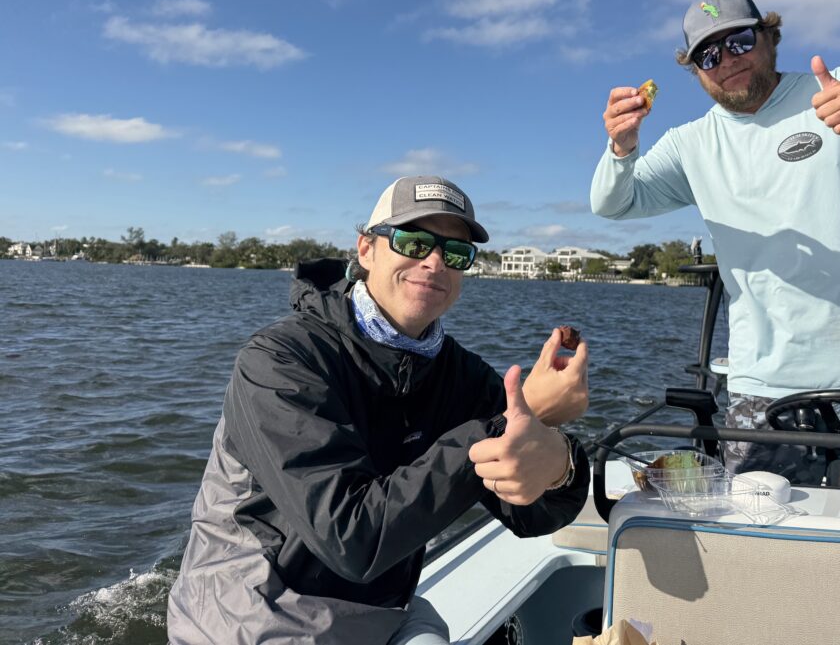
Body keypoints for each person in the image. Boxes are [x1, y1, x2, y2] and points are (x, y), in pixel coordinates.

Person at [590, 0, 840, 528]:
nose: (726, 61)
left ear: (769, 38)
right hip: (762, 386)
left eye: (739, 41)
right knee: (754, 545)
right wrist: (621, 149)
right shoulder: (690, 143)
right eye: (708, 55)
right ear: (696, 70)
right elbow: (612, 202)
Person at [168, 175, 590, 644]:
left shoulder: (462, 378)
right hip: (250, 613)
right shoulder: (280, 359)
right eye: (414, 241)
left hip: (381, 610)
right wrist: (513, 418)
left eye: (455, 253)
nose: (433, 262)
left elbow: (531, 517)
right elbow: (349, 537)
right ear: (366, 250)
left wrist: (553, 454)